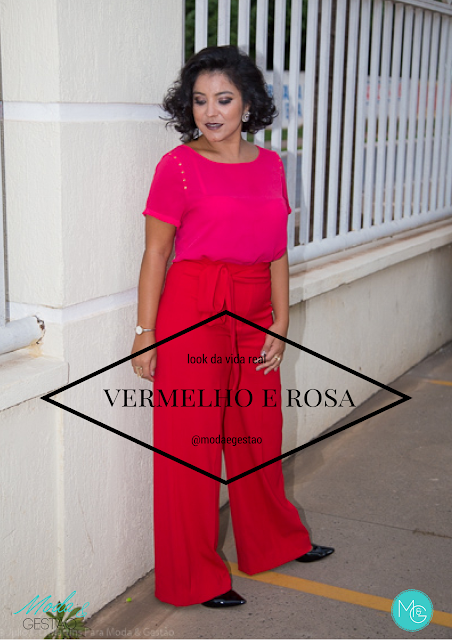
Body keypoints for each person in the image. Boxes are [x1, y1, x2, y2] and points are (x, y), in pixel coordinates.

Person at [131, 45, 334, 609]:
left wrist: (280, 320)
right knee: (191, 447)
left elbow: (277, 250)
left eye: (223, 99)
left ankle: (273, 541)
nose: (210, 112)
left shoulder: (270, 165)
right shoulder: (178, 166)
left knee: (258, 434)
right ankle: (193, 577)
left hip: (254, 308)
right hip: (193, 309)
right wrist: (145, 331)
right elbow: (156, 253)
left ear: (248, 104)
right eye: (199, 101)